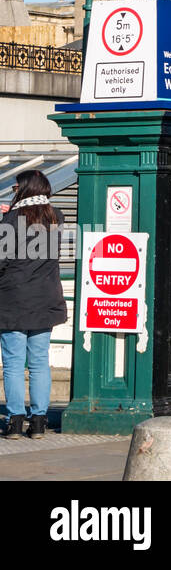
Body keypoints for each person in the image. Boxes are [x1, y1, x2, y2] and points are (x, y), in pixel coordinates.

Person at [0, 171, 66, 439]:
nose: (13, 190)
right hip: (46, 298)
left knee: (14, 363)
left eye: (16, 186)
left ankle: (15, 421)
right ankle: (38, 421)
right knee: (39, 362)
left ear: (24, 188)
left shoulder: (12, 219)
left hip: (14, 299)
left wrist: (6, 218)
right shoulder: (55, 217)